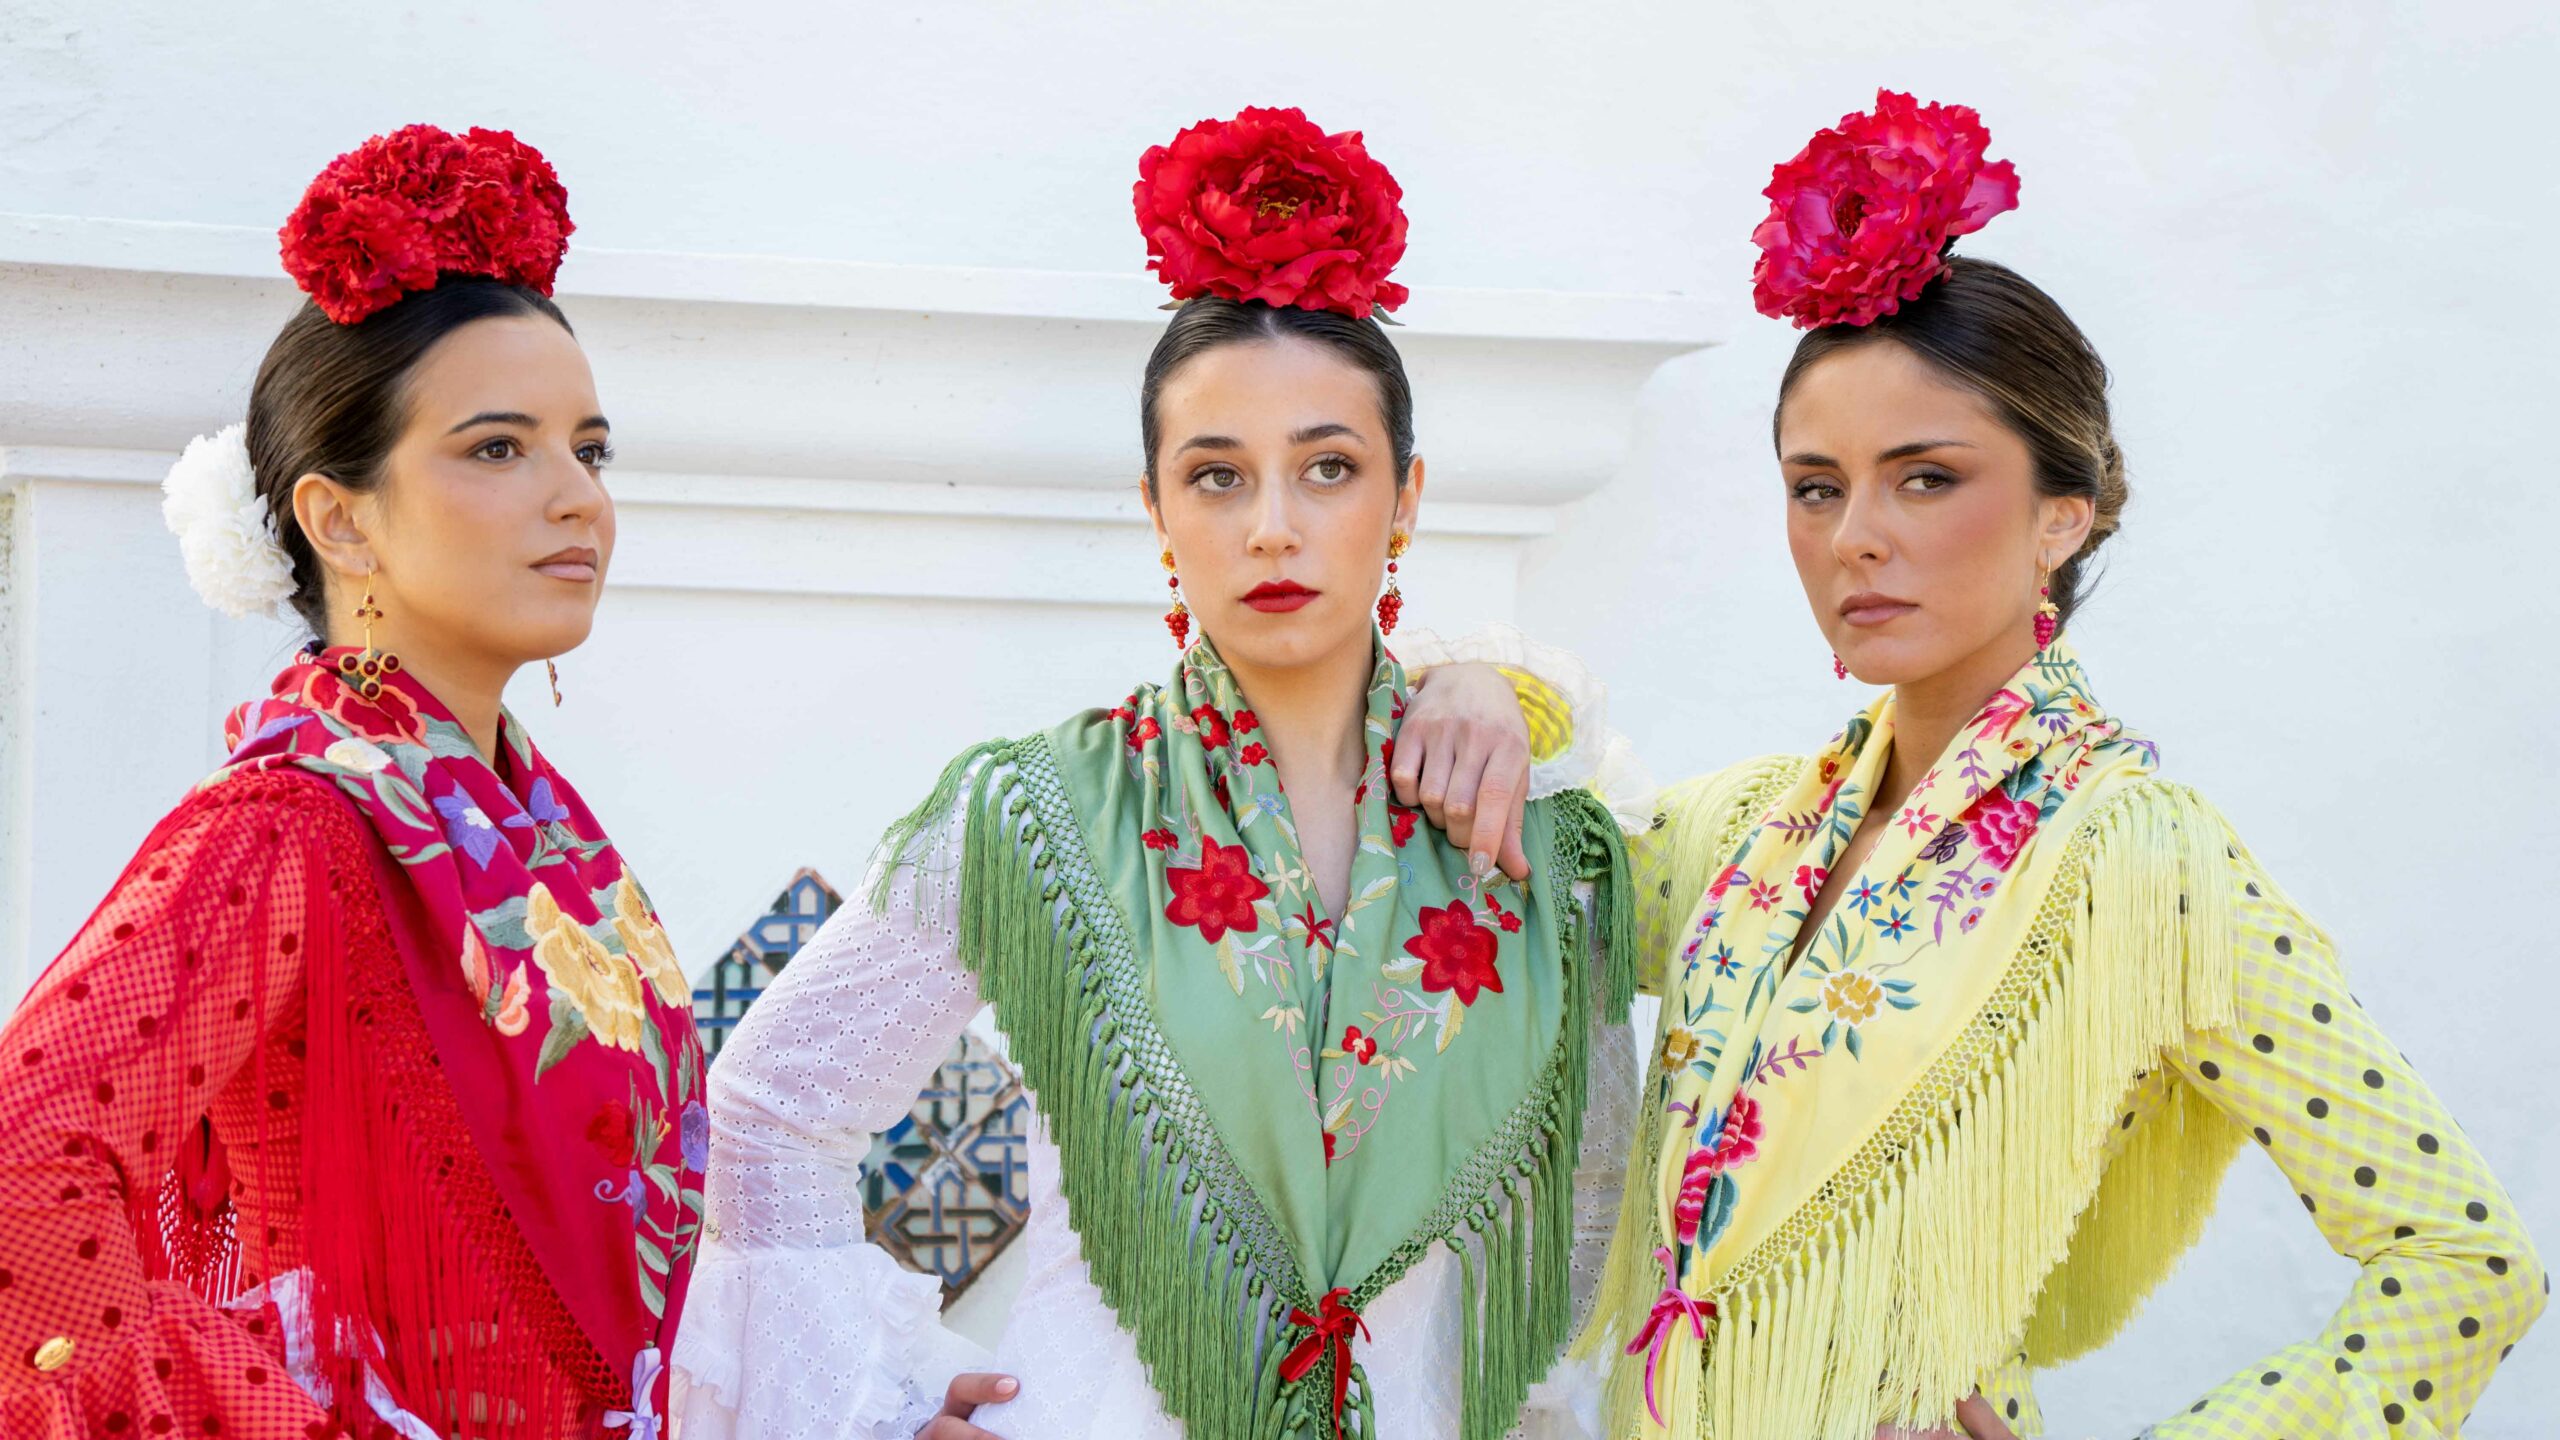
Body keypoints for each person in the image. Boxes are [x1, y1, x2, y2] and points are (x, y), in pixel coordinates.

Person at [1575, 90, 2545, 1440]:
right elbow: (1465, 897)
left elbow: (2467, 1264)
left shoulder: (2139, 859)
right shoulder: (1736, 829)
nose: (1856, 537)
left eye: (1926, 477)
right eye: (1816, 486)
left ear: (2061, 518)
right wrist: (1478, 683)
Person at [669, 106, 1644, 1440]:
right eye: (1218, 476)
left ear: (1407, 498)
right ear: (1156, 509)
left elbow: (1590, 1213)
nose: (1273, 528)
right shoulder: (1036, 814)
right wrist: (885, 1405)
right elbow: (768, 1111)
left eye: (1329, 469)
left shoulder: (1527, 827)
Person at [0, 125, 704, 1438]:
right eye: (498, 449)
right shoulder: (286, 832)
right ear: (340, 518)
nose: (578, 499)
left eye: (590, 450)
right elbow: (23, 1180)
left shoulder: (537, 838)